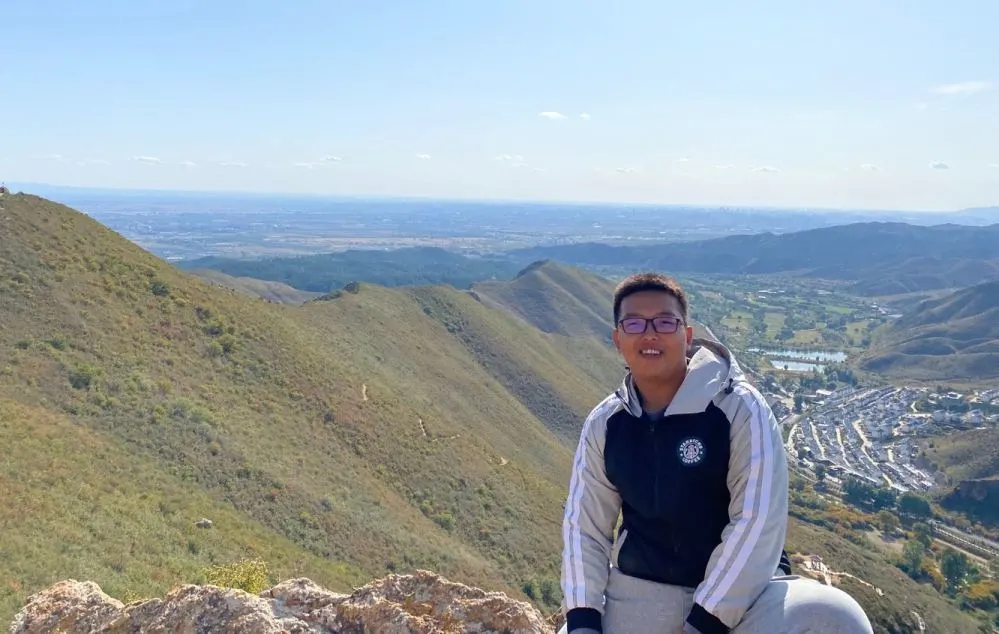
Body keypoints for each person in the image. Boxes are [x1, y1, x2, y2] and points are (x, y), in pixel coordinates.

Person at [559, 272, 873, 634]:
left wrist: (704, 623)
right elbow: (585, 529)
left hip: (745, 601)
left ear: (687, 335)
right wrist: (583, 620)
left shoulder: (738, 407)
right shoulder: (606, 424)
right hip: (641, 594)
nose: (650, 333)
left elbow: (756, 521)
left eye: (665, 322)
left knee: (836, 615)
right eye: (634, 323)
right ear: (618, 339)